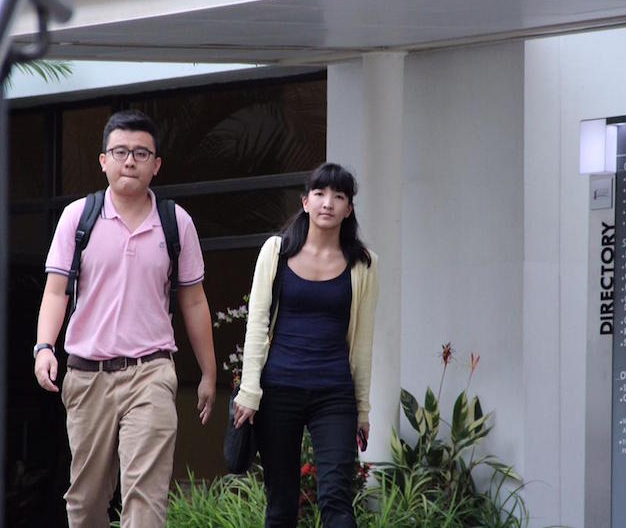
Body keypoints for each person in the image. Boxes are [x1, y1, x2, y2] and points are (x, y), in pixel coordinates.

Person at [33, 110, 217, 528]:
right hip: (87, 375)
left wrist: (209, 372)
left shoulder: (176, 223)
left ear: (156, 164)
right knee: (86, 504)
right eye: (120, 152)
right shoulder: (78, 217)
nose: (130, 161)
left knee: (145, 498)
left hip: (151, 372)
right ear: (103, 161)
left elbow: (193, 301)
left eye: (140, 153)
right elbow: (56, 291)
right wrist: (44, 347)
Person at [233, 163, 378, 527]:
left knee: (337, 499)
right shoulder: (276, 251)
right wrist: (249, 392)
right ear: (305, 202)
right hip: (279, 390)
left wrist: (362, 408)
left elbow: (363, 342)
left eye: (338, 196)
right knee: (281, 503)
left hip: (334, 393)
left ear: (349, 209)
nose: (328, 203)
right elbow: (257, 323)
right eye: (320, 193)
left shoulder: (364, 264)